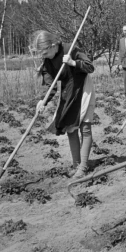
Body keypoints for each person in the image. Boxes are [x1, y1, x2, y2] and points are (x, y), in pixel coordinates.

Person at [31, 31, 95, 179]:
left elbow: (90, 67)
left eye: (45, 52)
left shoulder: (71, 49)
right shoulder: (47, 61)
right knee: (70, 128)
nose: (44, 55)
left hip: (83, 89)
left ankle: (83, 167)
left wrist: (74, 63)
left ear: (53, 45)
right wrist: (43, 101)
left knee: (85, 127)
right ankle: (76, 164)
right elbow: (51, 86)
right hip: (67, 91)